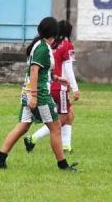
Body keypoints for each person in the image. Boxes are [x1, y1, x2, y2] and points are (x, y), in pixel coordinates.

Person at [0, 17, 76, 171]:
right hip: (40, 94)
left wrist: (56, 78)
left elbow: (40, 71)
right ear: (54, 33)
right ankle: (63, 165)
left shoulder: (38, 44)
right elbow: (34, 70)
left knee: (23, 127)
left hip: (28, 91)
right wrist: (35, 96)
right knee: (56, 128)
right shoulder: (43, 48)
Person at [24, 20, 80, 153]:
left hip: (49, 84)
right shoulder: (67, 45)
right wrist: (75, 88)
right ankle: (33, 138)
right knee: (62, 118)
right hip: (59, 87)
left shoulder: (51, 45)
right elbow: (68, 67)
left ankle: (66, 145)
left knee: (70, 115)